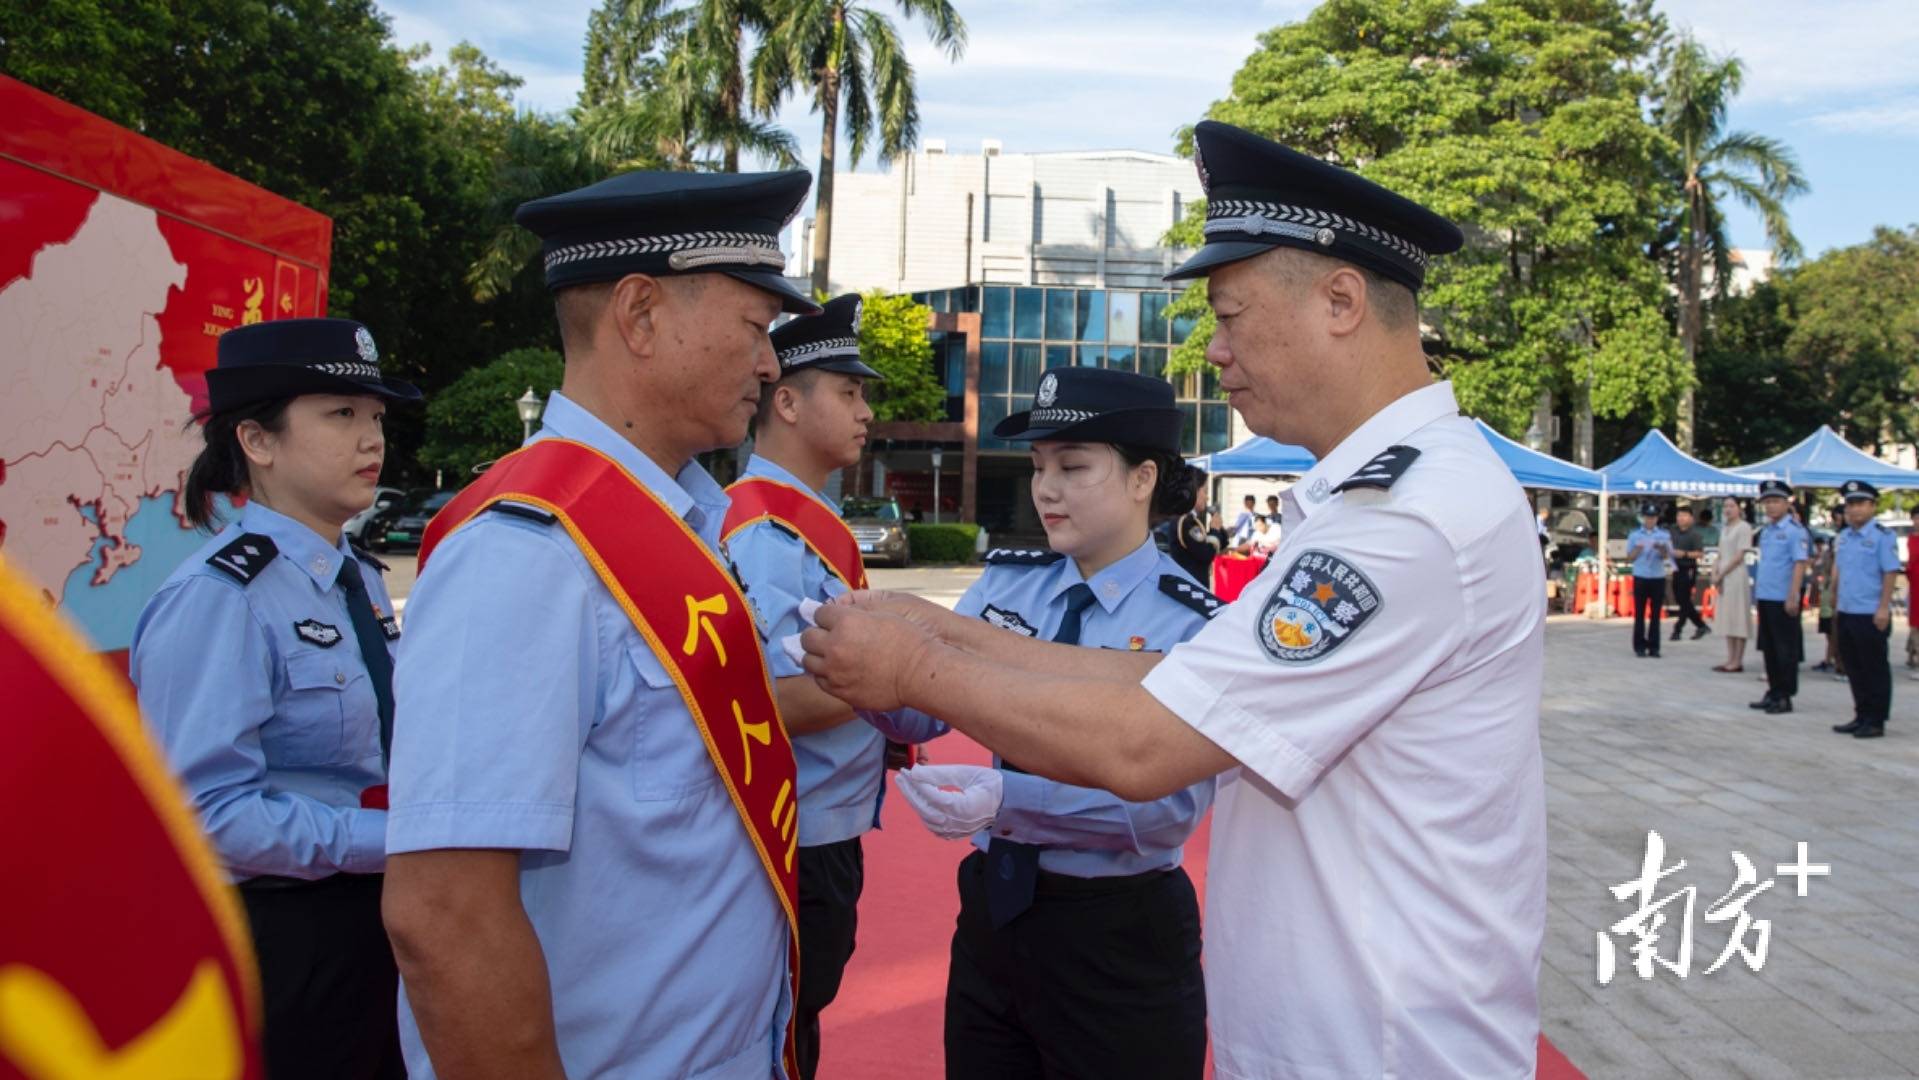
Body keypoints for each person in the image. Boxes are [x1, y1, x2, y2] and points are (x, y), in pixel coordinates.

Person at [801, 120, 1546, 1079]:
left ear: (1340, 299)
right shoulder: (1366, 498)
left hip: (1376, 1046)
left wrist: (916, 664)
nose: (1218, 350)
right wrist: (940, 626)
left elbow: (1147, 742)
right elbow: (1177, 681)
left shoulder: (1406, 516)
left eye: (1231, 316)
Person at [381, 169, 822, 1079]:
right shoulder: (526, 556)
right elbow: (445, 914)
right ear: (640, 313)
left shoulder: (680, 526)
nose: (772, 364)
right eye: (754, 328)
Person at [866, 365, 1220, 1080]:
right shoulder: (1009, 580)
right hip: (994, 911)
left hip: (1115, 930)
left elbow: (1166, 811)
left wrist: (1010, 801)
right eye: (1036, 467)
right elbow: (919, 711)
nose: (1045, 489)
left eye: (1073, 466)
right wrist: (855, 660)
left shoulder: (1190, 625)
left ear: (1142, 478)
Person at [130, 317, 419, 1080]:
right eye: (340, 415)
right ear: (258, 442)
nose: (371, 439)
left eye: (376, 418)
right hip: (288, 940)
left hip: (382, 920)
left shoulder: (354, 574)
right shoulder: (220, 597)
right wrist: (399, 838)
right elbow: (206, 817)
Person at [722, 293, 885, 1079]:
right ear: (785, 401)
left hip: (822, 828)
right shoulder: (763, 536)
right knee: (780, 1038)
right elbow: (762, 703)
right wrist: (907, 684)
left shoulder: (803, 522)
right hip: (792, 836)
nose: (864, 412)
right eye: (848, 392)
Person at [1830, 480, 1902, 738]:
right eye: (1850, 505)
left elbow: (1890, 572)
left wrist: (1883, 608)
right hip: (1848, 610)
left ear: (1872, 506)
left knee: (1874, 667)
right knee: (1854, 666)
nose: (1855, 510)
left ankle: (1876, 719)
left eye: (1860, 504)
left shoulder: (1882, 536)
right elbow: (1841, 573)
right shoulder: (1845, 537)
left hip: (1871, 611)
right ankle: (1861, 713)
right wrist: (1836, 602)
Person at [1750, 478, 1811, 714]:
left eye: (1775, 501)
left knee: (1786, 649)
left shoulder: (1795, 531)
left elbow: (1799, 563)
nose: (1771, 506)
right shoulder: (1766, 531)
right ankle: (1773, 690)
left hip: (1783, 597)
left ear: (1787, 503)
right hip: (1766, 595)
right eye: (1767, 502)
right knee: (1769, 647)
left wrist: (1793, 594)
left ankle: (1785, 695)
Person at [1712, 497, 1755, 672]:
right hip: (1723, 575)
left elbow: (1739, 556)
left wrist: (1722, 573)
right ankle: (1730, 658)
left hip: (1736, 575)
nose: (1728, 509)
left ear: (1739, 508)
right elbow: (1720, 553)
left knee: (1738, 616)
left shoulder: (1744, 528)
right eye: (1726, 506)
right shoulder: (1725, 529)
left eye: (1732, 506)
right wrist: (1715, 573)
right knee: (1727, 616)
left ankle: (1738, 659)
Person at [1625, 502, 1672, 658]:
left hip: (1657, 576)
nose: (1650, 520)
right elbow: (1629, 557)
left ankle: (1654, 646)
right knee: (1639, 613)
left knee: (1656, 613)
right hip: (1641, 576)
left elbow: (1668, 557)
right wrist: (1638, 548)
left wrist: (1662, 549)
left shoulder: (1664, 535)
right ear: (1643, 518)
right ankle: (1639, 646)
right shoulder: (1634, 535)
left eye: (1653, 517)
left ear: (1657, 518)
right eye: (1647, 517)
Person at [1668, 504, 1711, 641]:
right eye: (1679, 515)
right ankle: (1701, 625)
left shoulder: (1695, 535)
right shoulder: (1673, 532)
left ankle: (1678, 628)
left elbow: (1700, 553)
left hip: (1688, 569)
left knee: (1684, 598)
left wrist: (1684, 554)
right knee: (1681, 599)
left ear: (1691, 518)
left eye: (1684, 515)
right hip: (1676, 568)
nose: (1681, 518)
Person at [1170, 484, 1223, 584]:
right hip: (1190, 584)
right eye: (1205, 492)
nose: (1207, 498)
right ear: (1194, 493)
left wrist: (1219, 529)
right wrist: (1214, 530)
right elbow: (1205, 554)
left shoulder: (1190, 520)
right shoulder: (1186, 521)